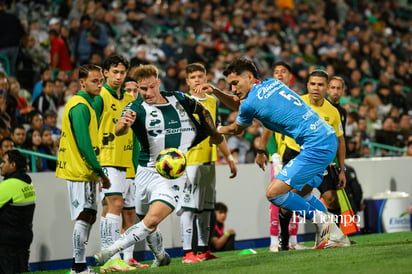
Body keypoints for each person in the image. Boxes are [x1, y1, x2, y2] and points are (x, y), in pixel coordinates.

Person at [197, 58, 350, 249]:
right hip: (326, 138)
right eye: (231, 85)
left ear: (250, 77)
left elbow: (237, 127)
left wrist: (216, 129)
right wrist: (218, 92)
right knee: (302, 194)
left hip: (315, 145)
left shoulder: (250, 103)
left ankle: (322, 220)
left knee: (274, 193)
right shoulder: (272, 83)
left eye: (235, 83)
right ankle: (336, 235)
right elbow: (241, 104)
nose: (234, 88)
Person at [94, 64, 223, 267]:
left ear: (158, 83)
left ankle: (111, 251)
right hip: (145, 173)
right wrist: (124, 124)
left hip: (172, 173)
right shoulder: (136, 107)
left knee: (152, 220)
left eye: (151, 87)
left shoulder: (178, 99)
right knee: (146, 221)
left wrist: (213, 133)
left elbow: (203, 110)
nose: (147, 93)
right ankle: (161, 256)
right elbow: (119, 128)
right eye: (142, 89)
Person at [179, 63, 237, 264]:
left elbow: (217, 131)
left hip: (209, 159)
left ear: (205, 78)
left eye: (200, 76)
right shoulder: (183, 101)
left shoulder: (212, 101)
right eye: (192, 77)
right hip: (189, 161)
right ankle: (187, 252)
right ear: (187, 81)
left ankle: (203, 250)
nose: (197, 80)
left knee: (205, 208)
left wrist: (228, 157)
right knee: (188, 207)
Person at [55, 64, 111, 274]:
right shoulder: (79, 106)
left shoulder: (87, 102)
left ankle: (79, 265)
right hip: (80, 170)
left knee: (88, 215)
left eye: (101, 81)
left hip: (82, 170)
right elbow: (84, 143)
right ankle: (78, 267)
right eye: (94, 81)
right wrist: (100, 172)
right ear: (82, 82)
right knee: (84, 214)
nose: (99, 84)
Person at [97, 54, 143, 271]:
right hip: (105, 159)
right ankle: (110, 258)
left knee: (112, 209)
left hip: (124, 162)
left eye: (122, 72)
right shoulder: (99, 97)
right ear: (105, 73)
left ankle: (110, 260)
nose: (118, 76)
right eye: (114, 72)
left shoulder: (128, 101)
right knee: (113, 206)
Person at [264, 61, 304, 252]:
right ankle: (274, 240)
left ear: (290, 77)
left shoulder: (297, 98)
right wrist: (273, 155)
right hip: (279, 158)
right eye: (276, 72)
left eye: (283, 72)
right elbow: (267, 131)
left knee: (294, 197)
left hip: (296, 156)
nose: (279, 75)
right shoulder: (271, 100)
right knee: (277, 198)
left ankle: (293, 239)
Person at [0, 149, 36, 274]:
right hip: (24, 236)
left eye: (3, 162)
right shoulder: (28, 182)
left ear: (13, 165)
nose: (0, 165)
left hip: (7, 240)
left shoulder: (8, 185)